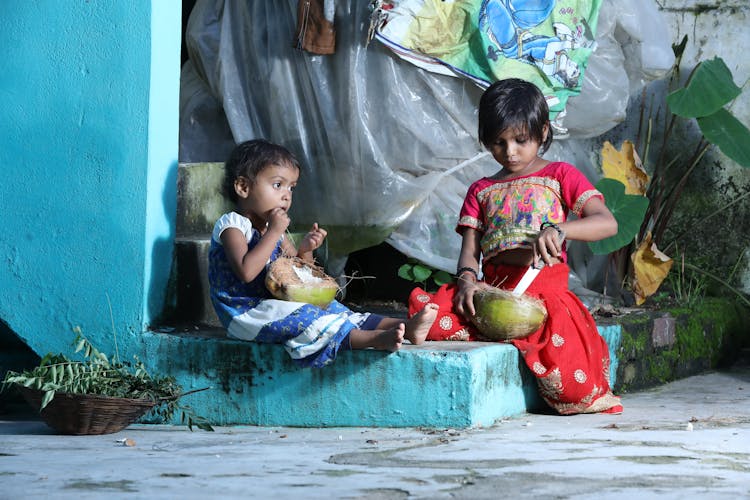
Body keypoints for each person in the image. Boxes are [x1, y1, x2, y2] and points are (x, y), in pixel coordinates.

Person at [408, 78, 622, 414]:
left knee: (573, 390)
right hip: (491, 294)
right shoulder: (480, 190)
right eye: (498, 142)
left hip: (546, 298)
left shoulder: (561, 175)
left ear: (544, 132)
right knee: (432, 316)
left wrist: (560, 229)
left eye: (521, 140)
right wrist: (466, 282)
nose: (510, 152)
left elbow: (607, 222)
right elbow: (469, 252)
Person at [208, 139, 438, 368]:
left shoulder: (274, 230)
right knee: (307, 317)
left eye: (291, 187)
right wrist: (274, 232)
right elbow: (246, 272)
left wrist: (306, 251)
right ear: (243, 187)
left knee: (333, 309)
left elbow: (297, 274)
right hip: (245, 313)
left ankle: (405, 327)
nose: (286, 195)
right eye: (278, 185)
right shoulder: (233, 226)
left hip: (275, 304)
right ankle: (375, 339)